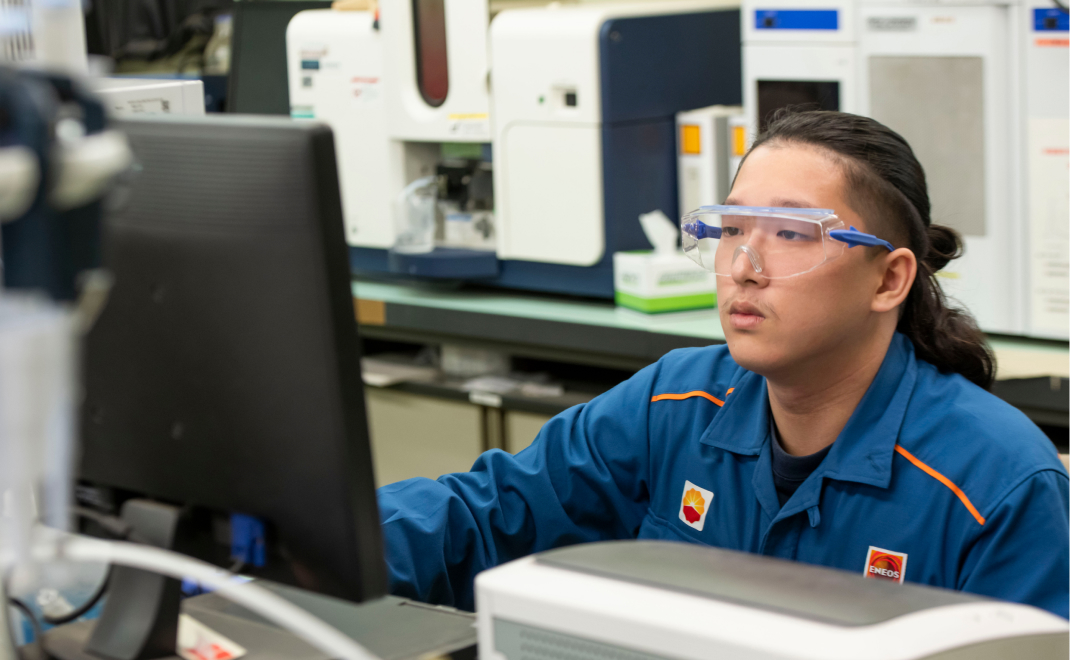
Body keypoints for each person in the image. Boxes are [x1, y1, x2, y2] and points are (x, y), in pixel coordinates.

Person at [376, 110, 1070, 618]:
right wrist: (327, 544)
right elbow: (485, 517)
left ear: (889, 280)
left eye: (792, 233)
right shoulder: (673, 403)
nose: (743, 265)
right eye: (732, 228)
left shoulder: (1000, 486)